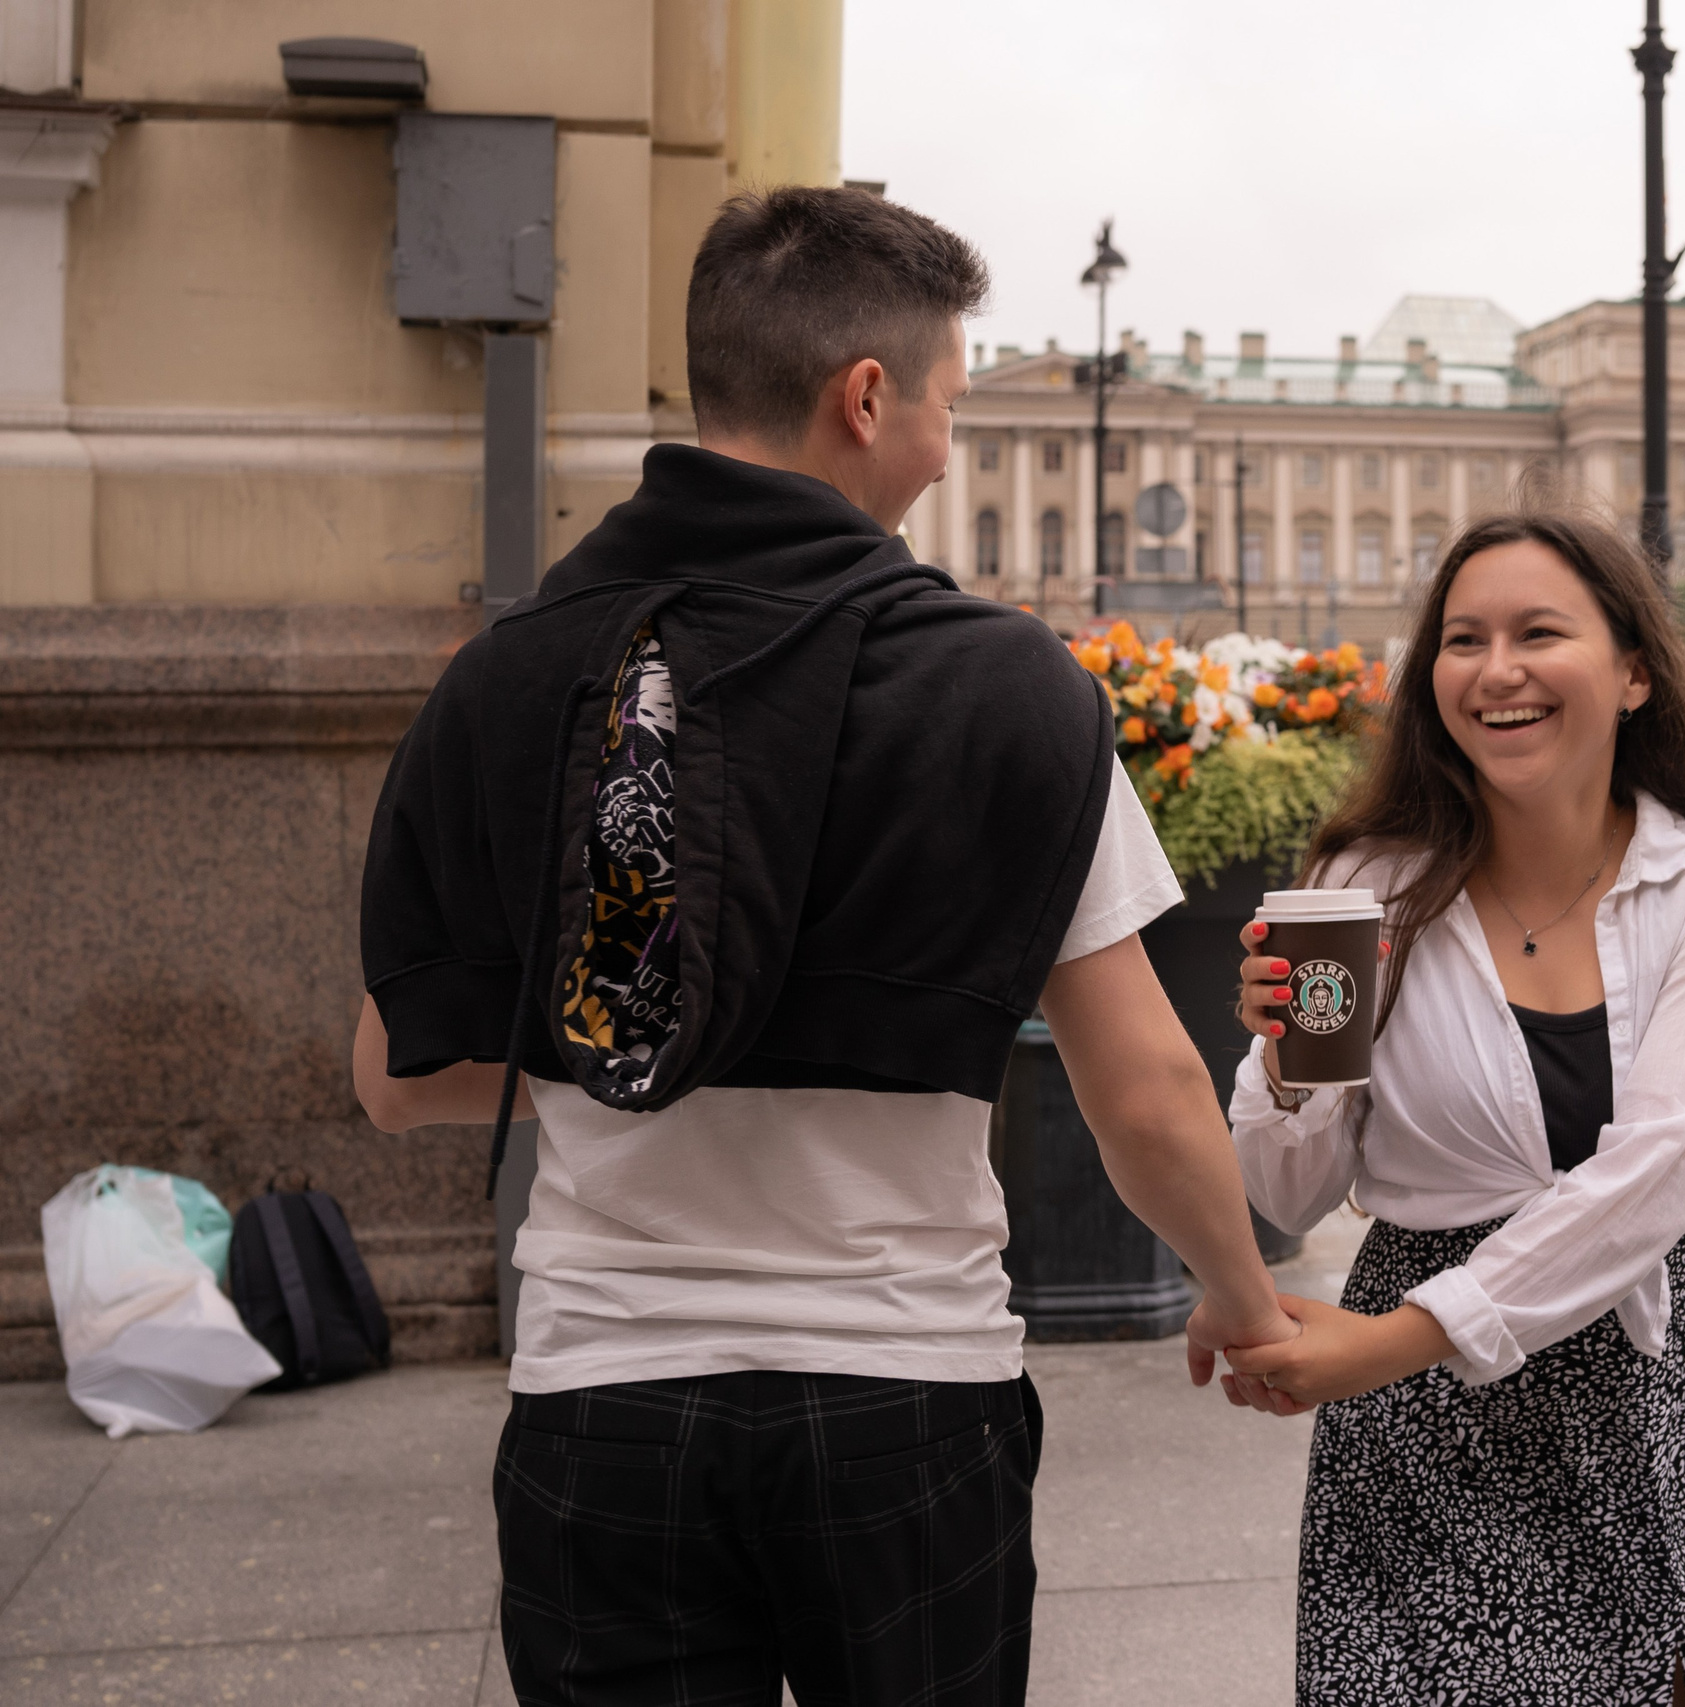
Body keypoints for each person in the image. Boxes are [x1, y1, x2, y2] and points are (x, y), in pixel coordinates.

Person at [351, 187, 1294, 1707]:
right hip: (902, 1391)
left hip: (606, 1393)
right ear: (866, 397)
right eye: (947, 407)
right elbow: (1145, 1093)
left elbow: (397, 1081)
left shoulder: (507, 677)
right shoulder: (1007, 686)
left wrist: (649, 1039)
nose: (945, 448)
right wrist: (1245, 1302)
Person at [1215, 511, 1685, 1705]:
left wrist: (1392, 1341)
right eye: (1463, 640)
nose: (1497, 671)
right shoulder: (1364, 886)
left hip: (1626, 1391)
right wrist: (1283, 1067)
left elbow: (1656, 1173)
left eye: (1539, 633)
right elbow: (1286, 1192)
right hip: (1420, 1431)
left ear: (1634, 672)